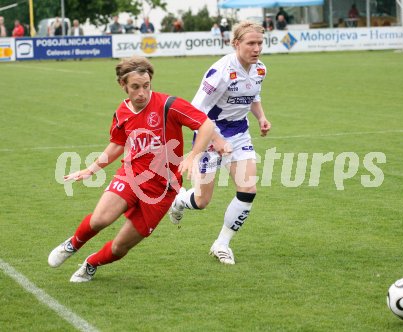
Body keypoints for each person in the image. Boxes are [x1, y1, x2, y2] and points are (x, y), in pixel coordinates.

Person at [48, 56, 215, 282]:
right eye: (135, 87)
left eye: (146, 86)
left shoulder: (169, 105)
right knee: (100, 220)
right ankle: (72, 244)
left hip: (162, 191)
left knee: (119, 247)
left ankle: (91, 263)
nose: (141, 93)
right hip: (131, 175)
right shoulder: (122, 112)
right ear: (123, 85)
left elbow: (206, 124)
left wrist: (194, 156)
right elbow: (118, 143)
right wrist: (91, 169)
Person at [169, 20, 271, 265]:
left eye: (260, 43)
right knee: (203, 201)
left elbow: (253, 96)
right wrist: (216, 139)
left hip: (239, 133)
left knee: (248, 189)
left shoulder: (260, 69)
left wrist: (261, 117)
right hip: (209, 133)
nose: (256, 48)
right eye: (250, 43)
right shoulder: (221, 72)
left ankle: (221, 244)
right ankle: (180, 200)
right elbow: (194, 112)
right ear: (236, 44)